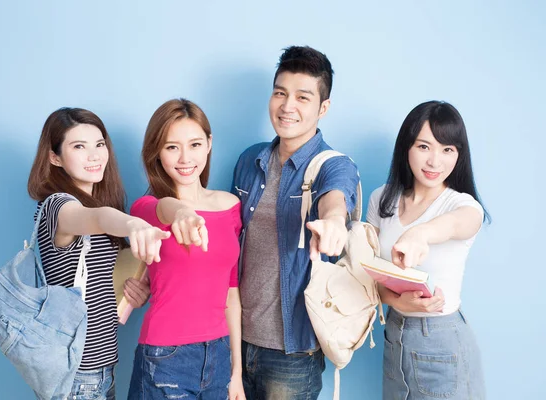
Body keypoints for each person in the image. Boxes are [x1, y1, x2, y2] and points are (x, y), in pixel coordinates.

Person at [231, 46, 360, 399]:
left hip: (293, 353)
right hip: (235, 341)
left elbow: (337, 197)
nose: (288, 106)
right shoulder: (249, 160)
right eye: (280, 93)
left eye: (303, 97)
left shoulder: (334, 164)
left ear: (323, 108)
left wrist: (333, 222)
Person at [27, 107, 169, 400]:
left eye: (99, 144)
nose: (94, 155)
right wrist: (132, 223)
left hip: (100, 367)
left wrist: (135, 292)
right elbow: (100, 217)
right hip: (77, 374)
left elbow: (104, 278)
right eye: (79, 146)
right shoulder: (58, 205)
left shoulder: (95, 203)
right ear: (55, 157)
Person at [366, 101, 489, 399]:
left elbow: (460, 223)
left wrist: (420, 233)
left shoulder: (462, 205)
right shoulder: (381, 199)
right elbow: (368, 279)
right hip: (394, 336)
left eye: (448, 149)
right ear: (406, 147)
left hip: (442, 340)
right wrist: (397, 301)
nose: (435, 161)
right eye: (424, 146)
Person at [127, 99, 246, 400]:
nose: (184, 158)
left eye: (194, 144)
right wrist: (181, 212)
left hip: (219, 355)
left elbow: (231, 293)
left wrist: (236, 373)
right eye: (171, 147)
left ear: (209, 143)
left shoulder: (231, 207)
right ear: (157, 152)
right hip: (166, 357)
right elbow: (164, 208)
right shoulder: (146, 209)